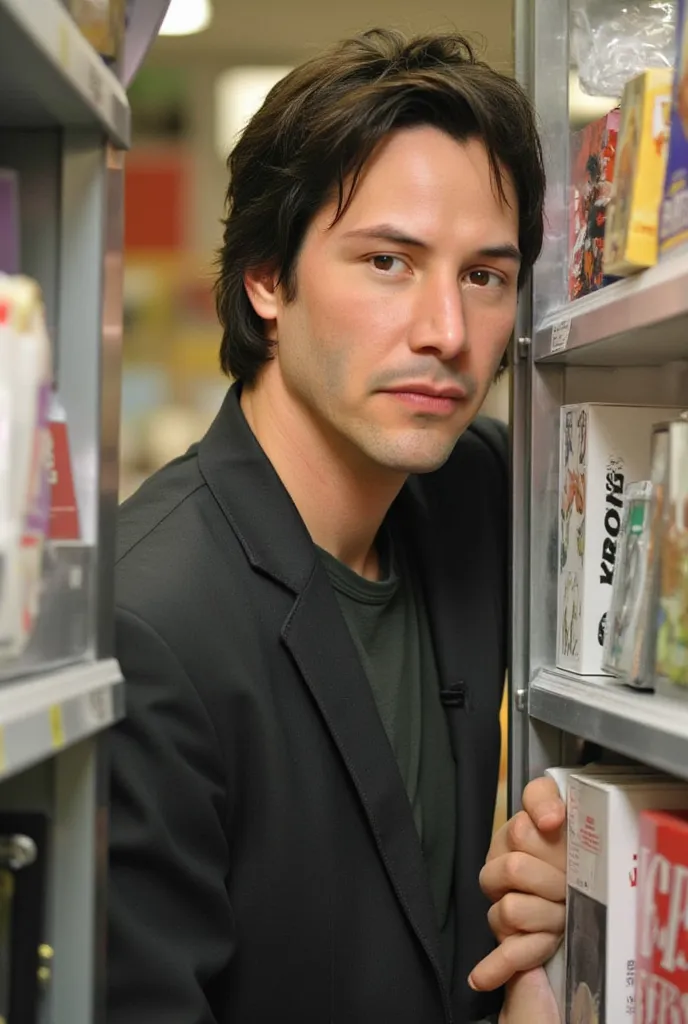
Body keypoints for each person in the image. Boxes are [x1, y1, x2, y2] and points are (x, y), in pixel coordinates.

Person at [107, 28, 566, 1024]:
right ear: (267, 280)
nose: (446, 330)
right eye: (389, 262)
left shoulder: (476, 495)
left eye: (484, 276)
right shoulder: (150, 622)